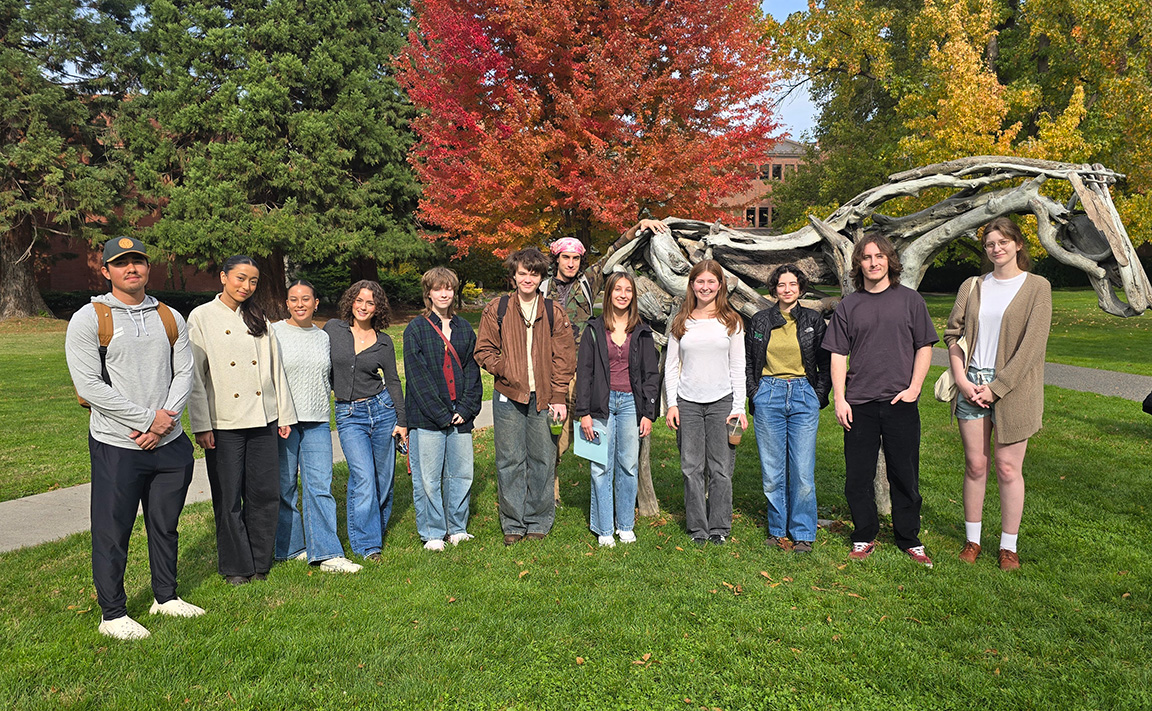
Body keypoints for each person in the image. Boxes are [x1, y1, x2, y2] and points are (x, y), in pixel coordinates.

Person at [65, 236, 204, 640]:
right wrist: (147, 420)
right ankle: (112, 615)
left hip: (170, 444)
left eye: (138, 262)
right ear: (106, 270)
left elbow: (185, 374)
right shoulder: (90, 318)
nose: (132, 269)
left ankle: (166, 596)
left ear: (147, 268)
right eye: (121, 263)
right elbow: (89, 385)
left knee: (165, 525)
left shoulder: (169, 316)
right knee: (113, 530)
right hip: (117, 445)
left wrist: (163, 423)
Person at [821, 235, 939, 567]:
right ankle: (864, 535)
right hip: (858, 403)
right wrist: (840, 398)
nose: (873, 262)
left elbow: (924, 346)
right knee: (858, 475)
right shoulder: (849, 306)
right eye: (867, 257)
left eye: (879, 256)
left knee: (904, 473)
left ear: (889, 261)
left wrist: (915, 387)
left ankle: (909, 538)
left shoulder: (910, 301)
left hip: (900, 401)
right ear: (858, 264)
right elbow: (838, 355)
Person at [944, 217, 1052, 570]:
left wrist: (997, 388)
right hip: (971, 381)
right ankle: (972, 541)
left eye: (1003, 242)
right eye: (990, 243)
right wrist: (961, 378)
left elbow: (1032, 346)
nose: (996, 248)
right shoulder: (972, 286)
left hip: (1015, 387)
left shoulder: (1037, 287)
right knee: (976, 465)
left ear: (1018, 244)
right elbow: (953, 335)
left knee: (1007, 468)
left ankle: (1008, 547)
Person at [188, 255, 297, 585]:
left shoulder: (259, 316)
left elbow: (276, 367)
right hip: (223, 423)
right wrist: (202, 424)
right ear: (223, 277)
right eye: (239, 278)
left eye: (252, 281)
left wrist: (284, 415)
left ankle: (260, 562)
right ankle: (236, 566)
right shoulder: (201, 317)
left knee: (264, 493)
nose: (246, 286)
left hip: (263, 419)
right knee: (228, 496)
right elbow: (195, 377)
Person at [475, 247, 576, 545]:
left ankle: (538, 520)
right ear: (514, 275)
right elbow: (483, 349)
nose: (527, 279)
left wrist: (559, 396)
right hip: (508, 396)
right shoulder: (498, 308)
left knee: (542, 459)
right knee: (509, 460)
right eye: (522, 273)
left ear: (541, 276)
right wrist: (504, 368)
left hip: (544, 397)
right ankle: (513, 523)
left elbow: (565, 357)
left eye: (533, 273)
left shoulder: (552, 310)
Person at [271, 281, 362, 574]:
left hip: (318, 420)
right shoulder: (274, 333)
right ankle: (291, 547)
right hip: (285, 421)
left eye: (306, 299)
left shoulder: (324, 337)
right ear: (287, 304)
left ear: (316, 303)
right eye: (294, 299)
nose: (300, 304)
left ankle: (327, 552)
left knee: (320, 486)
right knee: (285, 487)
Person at [745, 264, 831, 554]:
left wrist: (818, 395)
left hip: (803, 395)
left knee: (802, 471)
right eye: (782, 285)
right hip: (768, 393)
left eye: (793, 284)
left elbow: (825, 362)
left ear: (801, 288)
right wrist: (754, 394)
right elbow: (748, 362)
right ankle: (776, 529)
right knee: (772, 471)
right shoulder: (759, 321)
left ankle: (804, 532)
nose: (787, 289)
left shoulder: (813, 320)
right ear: (774, 289)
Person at [573, 272, 661, 547]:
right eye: (617, 289)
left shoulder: (642, 331)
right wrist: (583, 412)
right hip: (601, 405)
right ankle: (603, 528)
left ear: (633, 295)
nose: (623, 294)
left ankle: (625, 524)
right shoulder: (594, 330)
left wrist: (648, 412)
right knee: (600, 465)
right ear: (609, 293)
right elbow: (584, 373)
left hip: (630, 406)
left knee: (628, 464)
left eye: (628, 290)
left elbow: (650, 375)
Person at [665, 259, 747, 546]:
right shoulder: (681, 321)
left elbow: (738, 367)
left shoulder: (732, 322)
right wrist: (671, 404)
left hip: (722, 403)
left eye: (711, 281)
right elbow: (671, 366)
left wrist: (739, 406)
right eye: (700, 281)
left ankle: (720, 527)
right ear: (692, 285)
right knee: (691, 468)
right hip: (687, 403)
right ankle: (697, 527)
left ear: (720, 285)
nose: (705, 286)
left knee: (721, 468)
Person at [324, 280, 407, 562]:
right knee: (363, 477)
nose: (363, 306)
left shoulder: (383, 341)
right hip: (349, 415)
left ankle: (374, 531)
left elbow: (393, 381)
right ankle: (368, 546)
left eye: (370, 302)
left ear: (377, 308)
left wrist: (402, 420)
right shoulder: (333, 329)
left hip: (382, 410)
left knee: (383, 480)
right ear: (351, 302)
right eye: (359, 300)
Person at [403, 267, 483, 551]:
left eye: (448, 288)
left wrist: (465, 408)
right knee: (428, 477)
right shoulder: (416, 328)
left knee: (461, 473)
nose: (444, 293)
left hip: (460, 414)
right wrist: (441, 414)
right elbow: (417, 376)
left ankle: (457, 527)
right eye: (438, 288)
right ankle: (433, 532)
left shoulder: (464, 329)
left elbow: (473, 371)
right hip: (427, 417)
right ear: (429, 293)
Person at [541, 237, 596, 504]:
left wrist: (637, 228)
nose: (571, 263)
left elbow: (612, 255)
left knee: (590, 430)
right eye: (566, 257)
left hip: (585, 371)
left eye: (575, 258)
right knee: (555, 435)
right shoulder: (542, 288)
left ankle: (601, 494)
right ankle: (550, 493)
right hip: (553, 373)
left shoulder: (588, 284)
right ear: (557, 259)